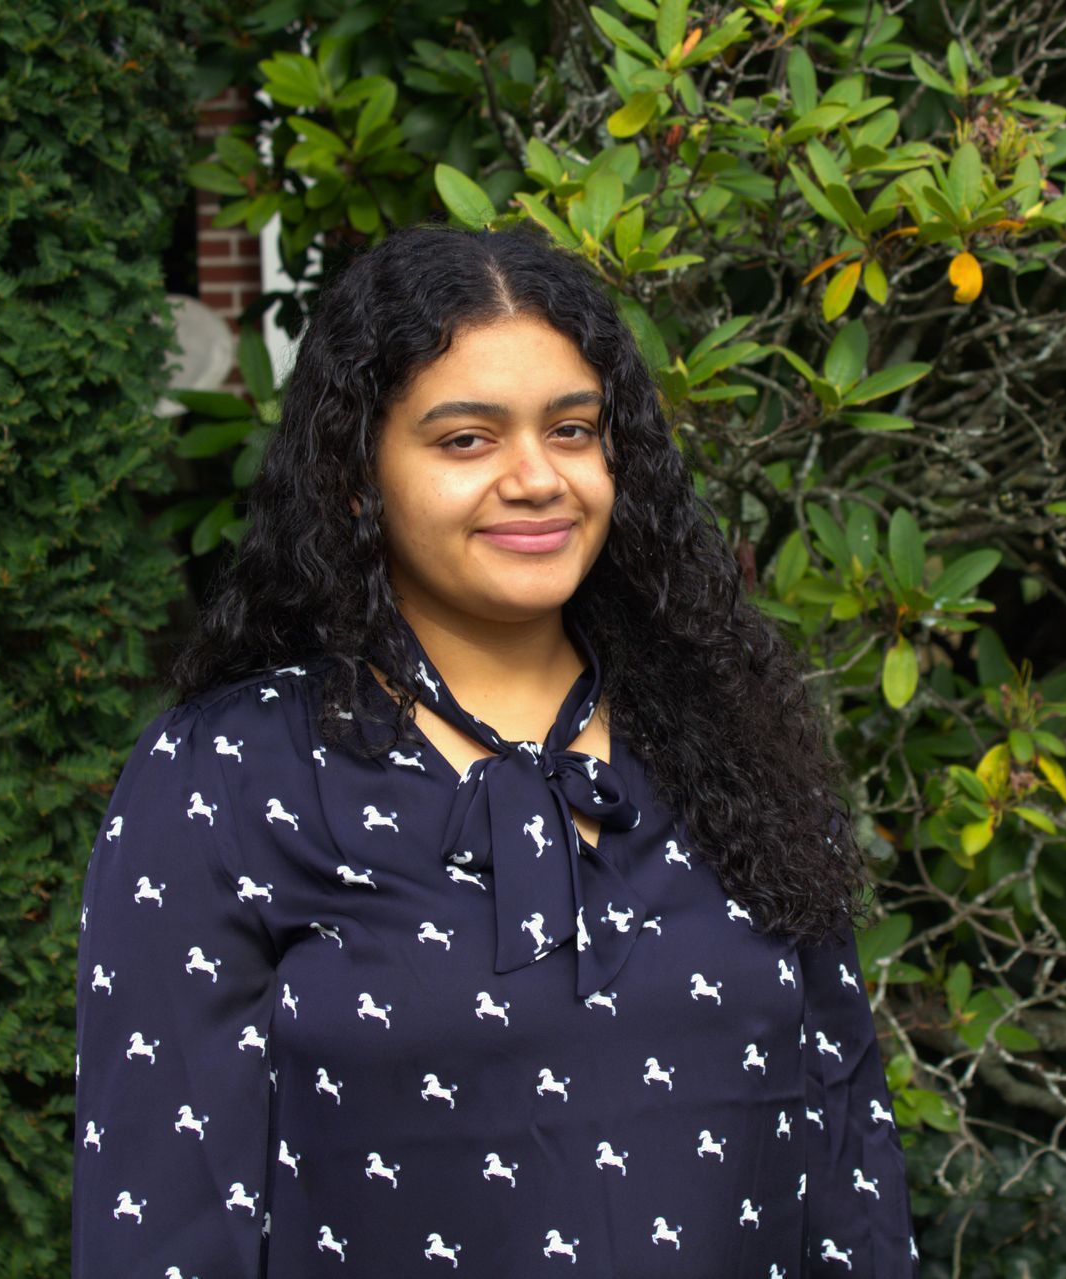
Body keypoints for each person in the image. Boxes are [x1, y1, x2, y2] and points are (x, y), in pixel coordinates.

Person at [72, 222, 918, 1276]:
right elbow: (161, 1212)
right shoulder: (231, 779)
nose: (536, 478)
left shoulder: (726, 736)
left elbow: (852, 1166)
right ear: (355, 477)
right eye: (466, 439)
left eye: (572, 429)